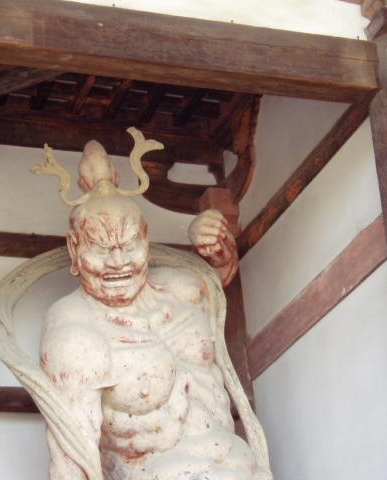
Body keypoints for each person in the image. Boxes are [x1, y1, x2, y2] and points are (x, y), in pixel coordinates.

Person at [36, 134, 273, 480]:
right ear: (75, 249)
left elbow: (218, 280)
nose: (118, 262)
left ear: (146, 237)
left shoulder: (182, 289)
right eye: (101, 248)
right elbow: (71, 459)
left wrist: (214, 241)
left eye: (130, 245)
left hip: (243, 469)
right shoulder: (74, 331)